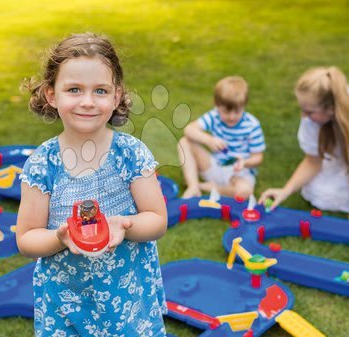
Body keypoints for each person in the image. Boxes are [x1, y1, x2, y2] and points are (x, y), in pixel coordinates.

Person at [16, 33, 168, 337]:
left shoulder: (131, 154)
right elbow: (27, 238)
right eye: (74, 89)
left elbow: (157, 219)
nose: (87, 101)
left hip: (127, 299)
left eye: (100, 90)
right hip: (66, 302)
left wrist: (125, 225)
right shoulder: (42, 164)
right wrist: (60, 238)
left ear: (116, 97)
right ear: (51, 95)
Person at [259, 67, 349, 213]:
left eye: (309, 112)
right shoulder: (312, 121)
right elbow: (312, 162)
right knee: (320, 192)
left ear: (331, 109)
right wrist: (284, 191)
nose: (304, 116)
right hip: (340, 161)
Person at [177, 76, 266, 199]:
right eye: (226, 112)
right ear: (217, 105)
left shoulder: (252, 125)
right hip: (215, 166)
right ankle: (193, 186)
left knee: (245, 192)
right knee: (184, 142)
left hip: (240, 173)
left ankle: (207, 187)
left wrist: (245, 162)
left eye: (237, 111)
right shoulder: (214, 116)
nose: (232, 116)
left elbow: (258, 157)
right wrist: (208, 140)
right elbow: (189, 129)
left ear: (244, 105)